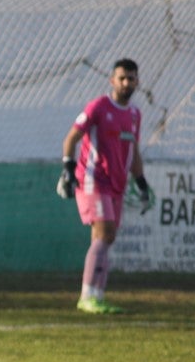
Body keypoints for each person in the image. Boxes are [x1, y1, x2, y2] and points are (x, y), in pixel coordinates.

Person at [58, 58, 153, 314]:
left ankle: (97, 295)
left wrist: (141, 182)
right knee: (106, 233)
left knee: (105, 239)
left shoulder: (134, 114)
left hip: (117, 185)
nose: (126, 82)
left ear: (137, 82)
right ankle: (87, 296)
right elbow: (71, 138)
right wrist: (68, 169)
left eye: (131, 78)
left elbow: (133, 151)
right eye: (121, 78)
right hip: (92, 180)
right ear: (112, 80)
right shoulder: (99, 106)